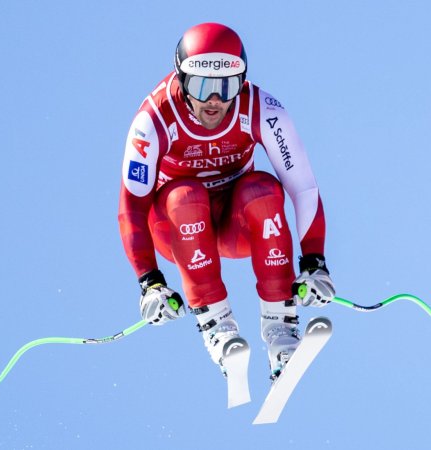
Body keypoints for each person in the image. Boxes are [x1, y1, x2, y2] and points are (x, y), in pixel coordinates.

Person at [118, 22, 335, 380]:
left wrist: (315, 260)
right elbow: (131, 206)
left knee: (263, 188)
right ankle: (217, 327)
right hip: (178, 229)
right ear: (183, 80)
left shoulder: (262, 109)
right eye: (202, 86)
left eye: (228, 85)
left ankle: (281, 329)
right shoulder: (154, 119)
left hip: (237, 227)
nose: (215, 100)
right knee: (184, 195)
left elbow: (303, 187)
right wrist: (149, 282)